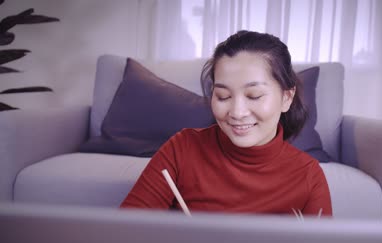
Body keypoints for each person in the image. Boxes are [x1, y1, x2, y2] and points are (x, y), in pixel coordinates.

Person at [120, 30, 332, 216]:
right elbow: (124, 234)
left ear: (286, 97)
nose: (237, 113)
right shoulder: (182, 149)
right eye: (222, 96)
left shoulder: (308, 175)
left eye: (254, 95)